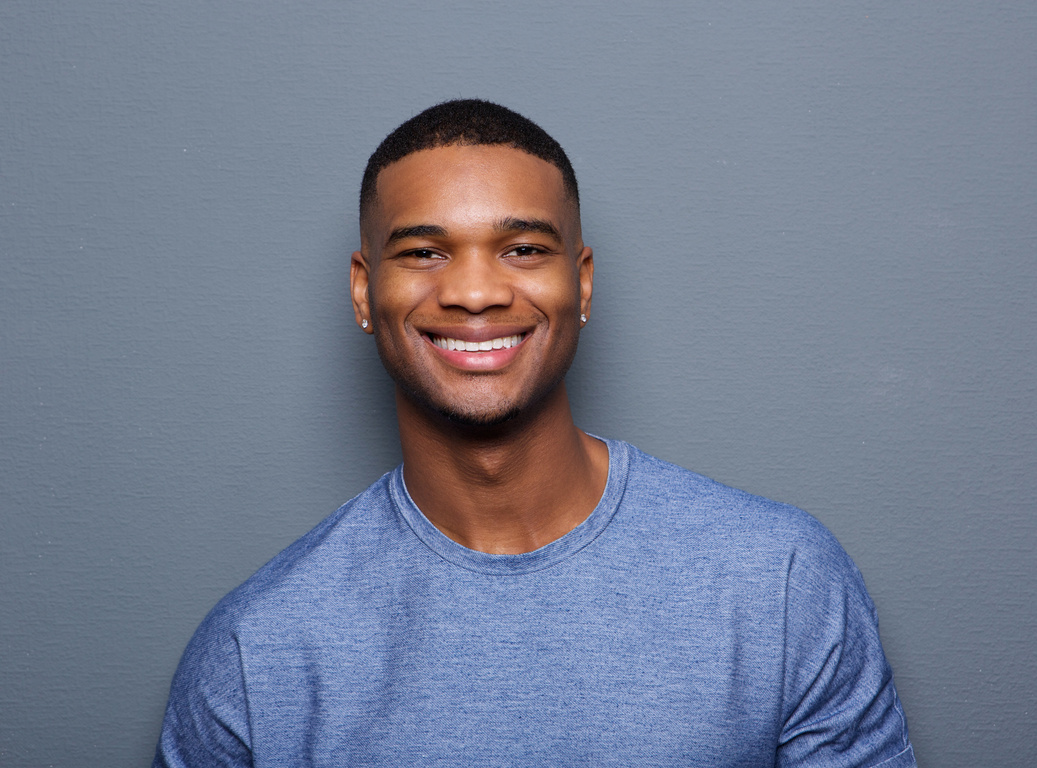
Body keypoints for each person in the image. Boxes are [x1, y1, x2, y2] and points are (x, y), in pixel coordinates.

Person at [154, 99, 916, 767]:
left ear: (580, 283)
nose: (476, 292)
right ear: (363, 291)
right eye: (424, 252)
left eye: (522, 249)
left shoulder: (780, 583)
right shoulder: (257, 651)